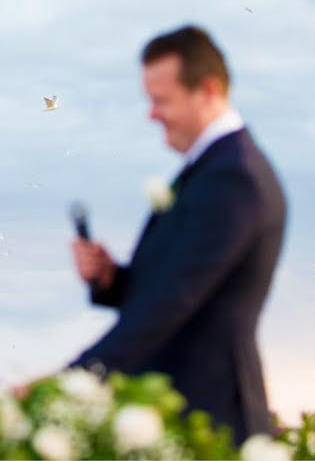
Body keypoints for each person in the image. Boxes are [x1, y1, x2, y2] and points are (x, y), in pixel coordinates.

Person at [69, 26, 287, 445]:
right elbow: (174, 283)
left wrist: (75, 381)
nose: (152, 114)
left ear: (206, 90)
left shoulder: (233, 178)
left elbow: (175, 302)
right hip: (184, 416)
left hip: (212, 421)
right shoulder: (209, 171)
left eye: (160, 100)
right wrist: (114, 278)